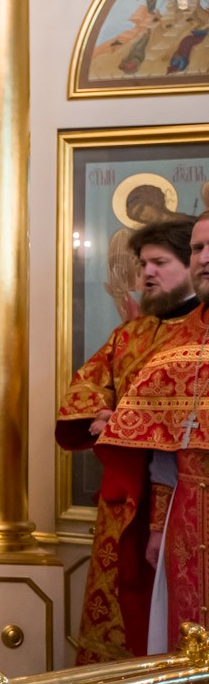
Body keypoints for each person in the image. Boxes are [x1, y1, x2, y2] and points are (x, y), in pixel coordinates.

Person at [57, 219, 198, 663]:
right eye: (143, 263)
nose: (147, 273)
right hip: (122, 503)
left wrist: (125, 422)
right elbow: (86, 386)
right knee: (118, 610)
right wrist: (103, 413)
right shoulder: (128, 334)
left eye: (160, 262)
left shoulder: (199, 334)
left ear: (192, 264)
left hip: (180, 501)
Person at [98, 212, 209, 654]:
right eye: (198, 249)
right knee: (184, 636)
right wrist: (159, 528)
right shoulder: (176, 344)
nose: (205, 258)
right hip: (186, 517)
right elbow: (165, 449)